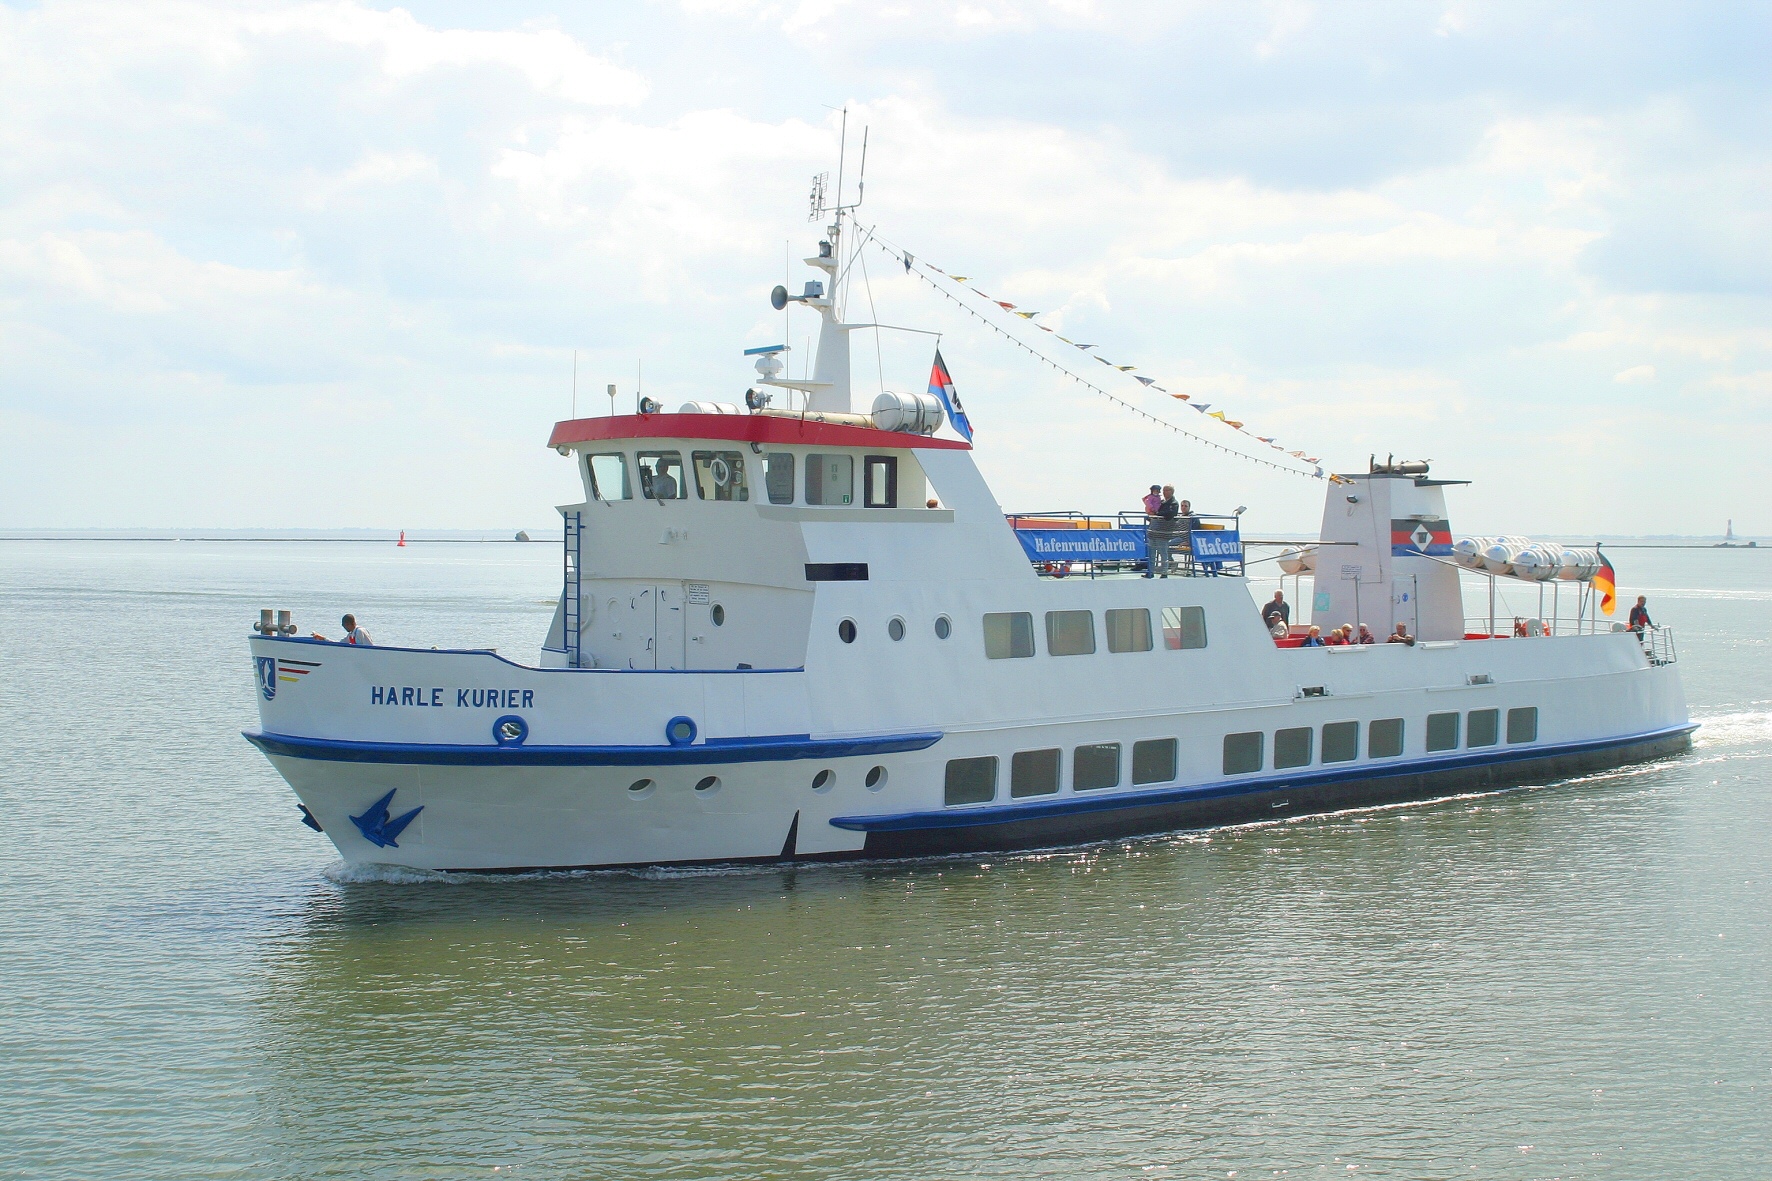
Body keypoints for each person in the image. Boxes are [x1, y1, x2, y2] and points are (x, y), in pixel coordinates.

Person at [1150, 485, 1182, 577]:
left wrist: (1158, 514)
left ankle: (1164, 572)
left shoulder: (1174, 503)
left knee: (1163, 553)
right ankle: (1150, 572)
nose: (1164, 492)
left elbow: (1169, 514)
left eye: (1167, 490)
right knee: (1151, 552)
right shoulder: (1162, 502)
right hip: (1154, 531)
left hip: (1163, 532)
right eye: (1163, 490)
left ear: (1172, 491)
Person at [1141, 484, 1162, 576]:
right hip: (1153, 516)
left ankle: (1152, 571)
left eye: (1157, 490)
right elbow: (1148, 504)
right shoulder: (1150, 498)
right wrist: (1153, 510)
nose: (1156, 492)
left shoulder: (1159, 498)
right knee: (1151, 547)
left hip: (1158, 519)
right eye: (1155, 490)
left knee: (1156, 548)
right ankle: (1151, 570)